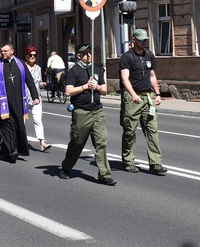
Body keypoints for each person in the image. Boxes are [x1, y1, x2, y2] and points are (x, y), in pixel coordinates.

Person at [59, 44, 116, 186]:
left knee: (101, 142)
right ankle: (66, 167)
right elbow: (68, 91)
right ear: (78, 55)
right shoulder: (73, 71)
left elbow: (104, 90)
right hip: (81, 111)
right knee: (77, 142)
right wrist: (85, 87)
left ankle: (104, 174)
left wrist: (96, 87)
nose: (89, 55)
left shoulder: (96, 69)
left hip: (97, 111)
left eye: (90, 53)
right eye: (85, 53)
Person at [120, 28, 167, 175]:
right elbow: (124, 78)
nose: (144, 42)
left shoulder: (149, 55)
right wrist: (133, 94)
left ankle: (155, 163)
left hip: (147, 98)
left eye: (145, 40)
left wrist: (157, 94)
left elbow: (152, 75)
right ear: (133, 40)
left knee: (152, 130)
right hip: (132, 98)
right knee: (130, 131)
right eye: (141, 40)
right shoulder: (127, 57)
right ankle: (128, 161)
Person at [0, 43, 40, 163]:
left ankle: (6, 150)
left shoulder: (20, 64)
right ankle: (12, 150)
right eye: (2, 51)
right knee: (7, 126)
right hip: (4, 102)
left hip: (19, 102)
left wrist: (35, 96)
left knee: (17, 125)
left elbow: (29, 81)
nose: (3, 53)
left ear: (12, 51)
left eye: (5, 51)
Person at [23, 46, 51, 152]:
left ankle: (42, 142)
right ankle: (20, 141)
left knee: (38, 120)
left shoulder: (38, 68)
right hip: (24, 98)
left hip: (36, 98)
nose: (32, 57)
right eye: (30, 55)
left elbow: (38, 82)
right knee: (22, 121)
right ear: (26, 56)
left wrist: (42, 84)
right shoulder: (22, 67)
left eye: (34, 55)